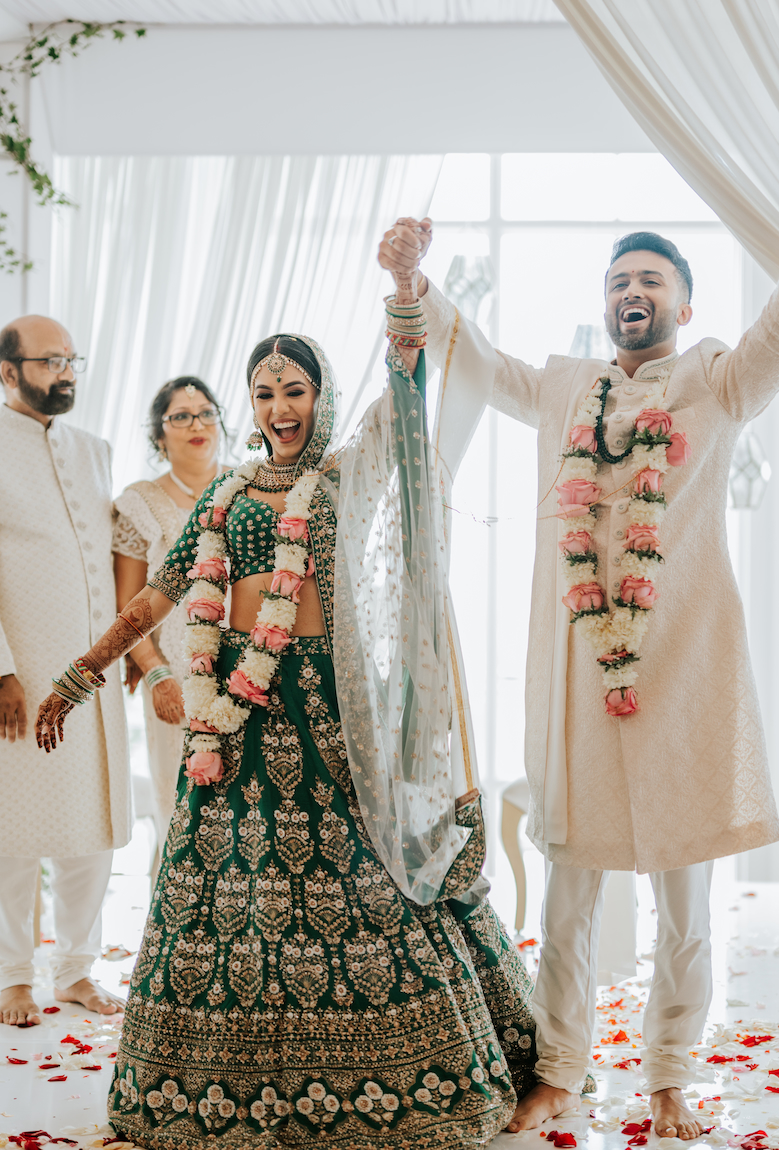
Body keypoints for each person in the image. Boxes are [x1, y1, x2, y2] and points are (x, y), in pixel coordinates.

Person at [379, 84, 779, 1140]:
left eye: (648, 278)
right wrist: (412, 282)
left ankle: (671, 1072)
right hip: (577, 680)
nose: (629, 290)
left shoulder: (716, 383)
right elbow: (479, 357)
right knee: (568, 890)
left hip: (683, 672)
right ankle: (558, 1068)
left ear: (680, 302)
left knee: (686, 898)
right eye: (616, 280)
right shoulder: (562, 388)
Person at [35, 275, 538, 1145]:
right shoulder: (222, 496)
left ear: (321, 396)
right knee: (224, 886)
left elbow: (404, 393)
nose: (279, 407)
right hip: (230, 713)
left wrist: (404, 303)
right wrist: (79, 678)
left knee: (361, 886)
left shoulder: (348, 476)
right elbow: (156, 598)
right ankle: (209, 1092)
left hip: (325, 707)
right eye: (264, 393)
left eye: (295, 390)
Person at [0, 314, 129, 1027]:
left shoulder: (94, 449)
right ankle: (13, 977)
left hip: (93, 674)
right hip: (21, 673)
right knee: (13, 832)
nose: (65, 372)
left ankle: (77, 970)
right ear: (8, 370)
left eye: (71, 359)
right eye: (50, 361)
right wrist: (1, 670)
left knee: (93, 825)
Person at [113, 376, 229, 834]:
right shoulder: (140, 502)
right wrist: (157, 674)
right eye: (179, 416)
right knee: (183, 814)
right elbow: (128, 604)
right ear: (159, 435)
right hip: (177, 683)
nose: (195, 423)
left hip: (253, 673)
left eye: (205, 412)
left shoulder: (253, 486)